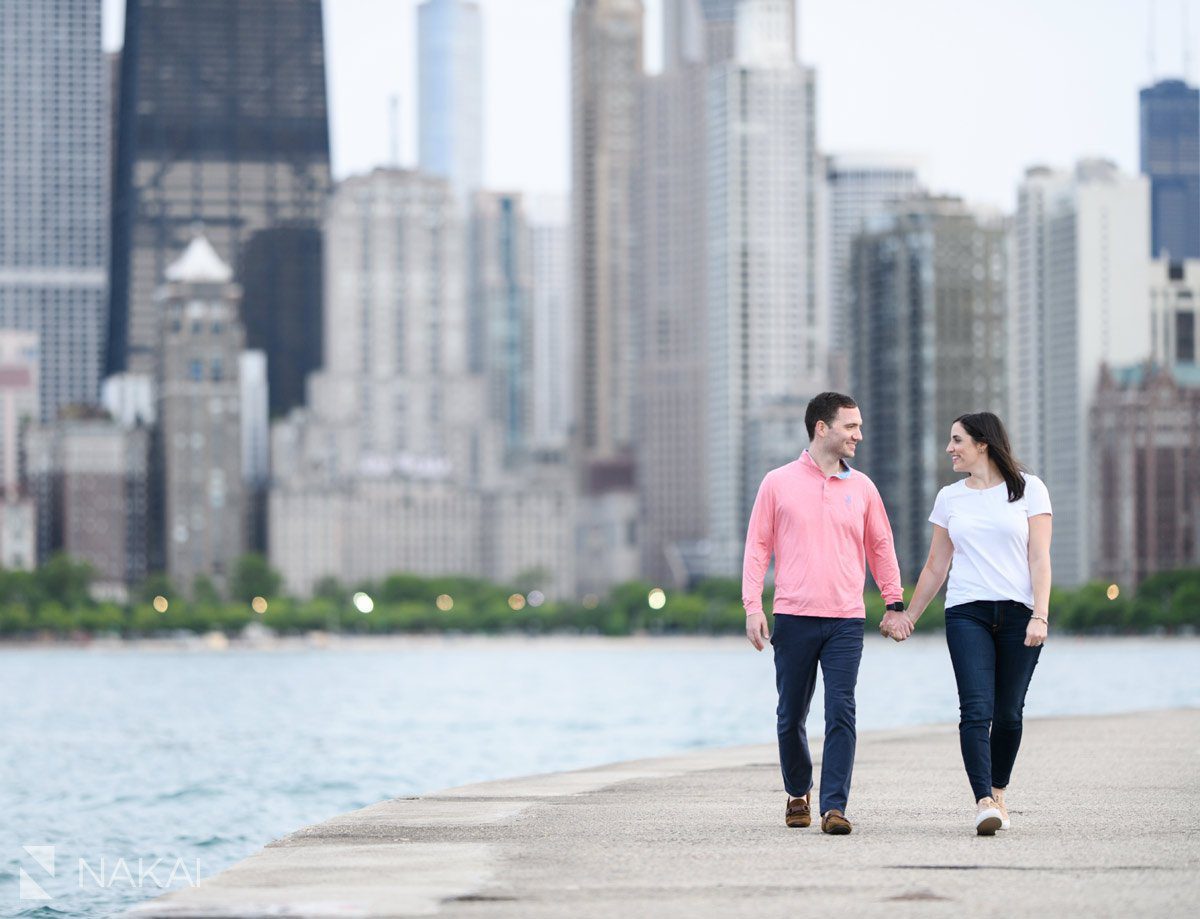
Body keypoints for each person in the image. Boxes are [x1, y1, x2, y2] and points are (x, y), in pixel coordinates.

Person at [743, 391, 907, 835]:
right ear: (822, 427)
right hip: (793, 617)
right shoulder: (777, 483)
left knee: (841, 711)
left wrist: (894, 604)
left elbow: (881, 547)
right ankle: (798, 792)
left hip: (846, 621)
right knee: (790, 713)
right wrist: (752, 606)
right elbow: (758, 547)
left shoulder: (864, 488)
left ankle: (834, 806)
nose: (859, 434)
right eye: (851, 426)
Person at [883, 412, 1052, 835]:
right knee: (976, 710)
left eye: (956, 440)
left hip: (1019, 614)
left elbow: (1039, 558)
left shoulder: (1030, 489)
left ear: (983, 443)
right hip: (966, 613)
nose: (949, 448)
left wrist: (1040, 615)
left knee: (1009, 713)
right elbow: (937, 565)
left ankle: (998, 790)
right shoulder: (949, 497)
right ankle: (983, 802)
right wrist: (909, 617)